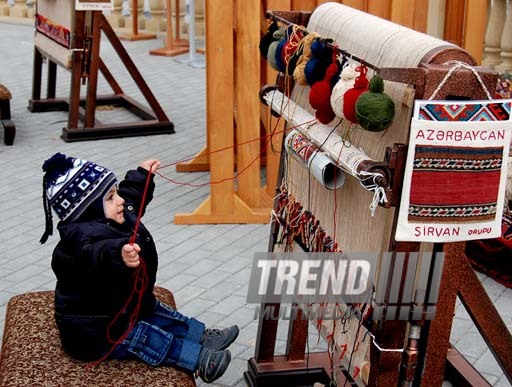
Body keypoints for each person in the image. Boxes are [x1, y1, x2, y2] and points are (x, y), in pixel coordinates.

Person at [40, 152, 238, 383]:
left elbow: (131, 198)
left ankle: (201, 337)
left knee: (159, 313)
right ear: (89, 211)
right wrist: (119, 254)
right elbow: (97, 254)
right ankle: (199, 359)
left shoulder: (115, 216)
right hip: (95, 331)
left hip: (126, 306)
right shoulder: (77, 245)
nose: (120, 200)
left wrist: (142, 175)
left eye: (115, 193)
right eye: (111, 198)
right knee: (147, 338)